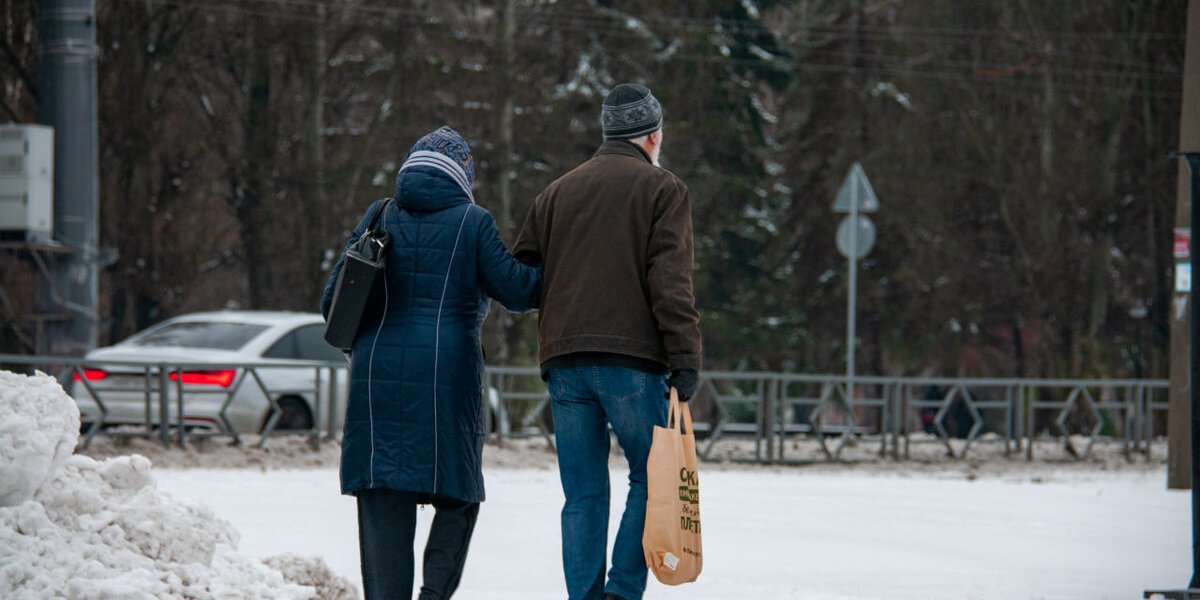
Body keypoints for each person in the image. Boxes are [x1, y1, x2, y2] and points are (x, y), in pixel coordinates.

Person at [320, 126, 540, 600]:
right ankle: (434, 594)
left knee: (382, 496)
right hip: (447, 378)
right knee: (459, 493)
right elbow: (519, 291)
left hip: (375, 379)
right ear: (463, 175)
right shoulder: (472, 221)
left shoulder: (378, 214)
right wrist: (551, 256)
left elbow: (331, 300)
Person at [514, 83, 703, 600]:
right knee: (652, 479)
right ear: (652, 136)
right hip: (632, 363)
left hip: (564, 361)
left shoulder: (555, 193)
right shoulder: (663, 190)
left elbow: (522, 279)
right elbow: (670, 283)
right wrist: (685, 356)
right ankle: (620, 592)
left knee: (582, 494)